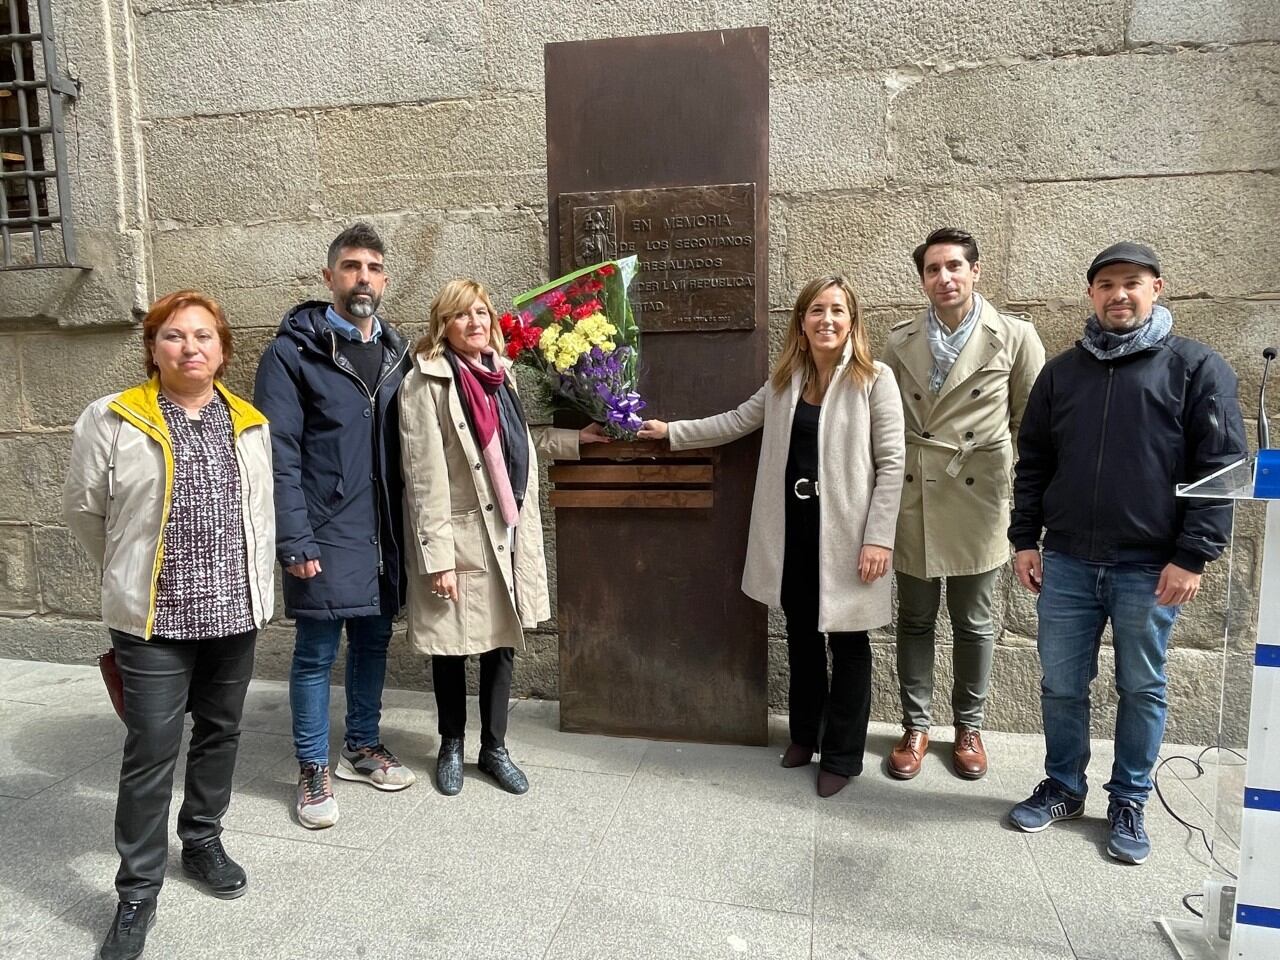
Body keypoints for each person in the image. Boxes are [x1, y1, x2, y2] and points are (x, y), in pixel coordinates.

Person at [1008, 242, 1246, 864]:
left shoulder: (1196, 368)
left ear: (1157, 288)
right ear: (1090, 295)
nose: (1119, 294)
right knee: (1062, 684)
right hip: (1066, 563)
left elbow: (1219, 469)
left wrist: (1193, 555)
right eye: (1106, 284)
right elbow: (1033, 462)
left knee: (1142, 686)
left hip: (1151, 566)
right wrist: (1023, 541)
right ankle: (1063, 785)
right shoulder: (1061, 374)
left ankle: (1130, 799)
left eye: (1132, 283)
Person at [64, 291, 276, 960]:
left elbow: (259, 517)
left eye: (204, 337)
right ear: (152, 348)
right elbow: (85, 511)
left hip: (231, 612)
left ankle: (204, 839)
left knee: (220, 733)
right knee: (151, 749)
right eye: (175, 336)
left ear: (223, 350)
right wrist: (125, 574)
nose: (191, 348)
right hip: (153, 620)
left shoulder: (249, 422)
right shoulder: (112, 418)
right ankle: (136, 892)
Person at [639, 275, 905, 798]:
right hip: (794, 530)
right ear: (801, 322)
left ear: (852, 321)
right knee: (803, 638)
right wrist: (672, 433)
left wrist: (879, 538)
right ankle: (806, 734)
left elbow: (893, 464)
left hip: (850, 538)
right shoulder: (786, 380)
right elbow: (737, 421)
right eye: (816, 311)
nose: (826, 320)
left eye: (837, 310)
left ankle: (844, 756)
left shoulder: (875, 379)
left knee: (849, 644)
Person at [399, 278, 609, 796]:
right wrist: (438, 559)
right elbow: (422, 477)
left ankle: (494, 747)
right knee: (452, 647)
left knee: (503, 643)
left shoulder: (501, 375)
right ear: (442, 326)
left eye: (480, 312)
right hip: (461, 533)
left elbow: (518, 441)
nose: (474, 322)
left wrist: (574, 440)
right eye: (461, 315)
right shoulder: (426, 383)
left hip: (509, 529)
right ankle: (451, 744)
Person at [253, 222, 414, 830]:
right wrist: (294, 538)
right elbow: (278, 452)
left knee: (374, 641)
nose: (362, 278)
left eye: (373, 267)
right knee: (317, 652)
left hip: (384, 530)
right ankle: (313, 767)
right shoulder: (294, 353)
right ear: (329, 278)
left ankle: (362, 745)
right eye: (351, 267)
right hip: (323, 528)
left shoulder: (400, 353)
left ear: (385, 279)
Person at [880, 227, 1045, 780]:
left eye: (954, 267)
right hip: (914, 493)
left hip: (979, 496)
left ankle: (969, 726)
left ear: (976, 271)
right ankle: (915, 725)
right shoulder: (899, 339)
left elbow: (1032, 427)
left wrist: (1017, 497)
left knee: (975, 621)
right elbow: (885, 422)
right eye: (932, 269)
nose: (944, 278)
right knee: (915, 618)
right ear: (922, 279)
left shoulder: (1016, 337)